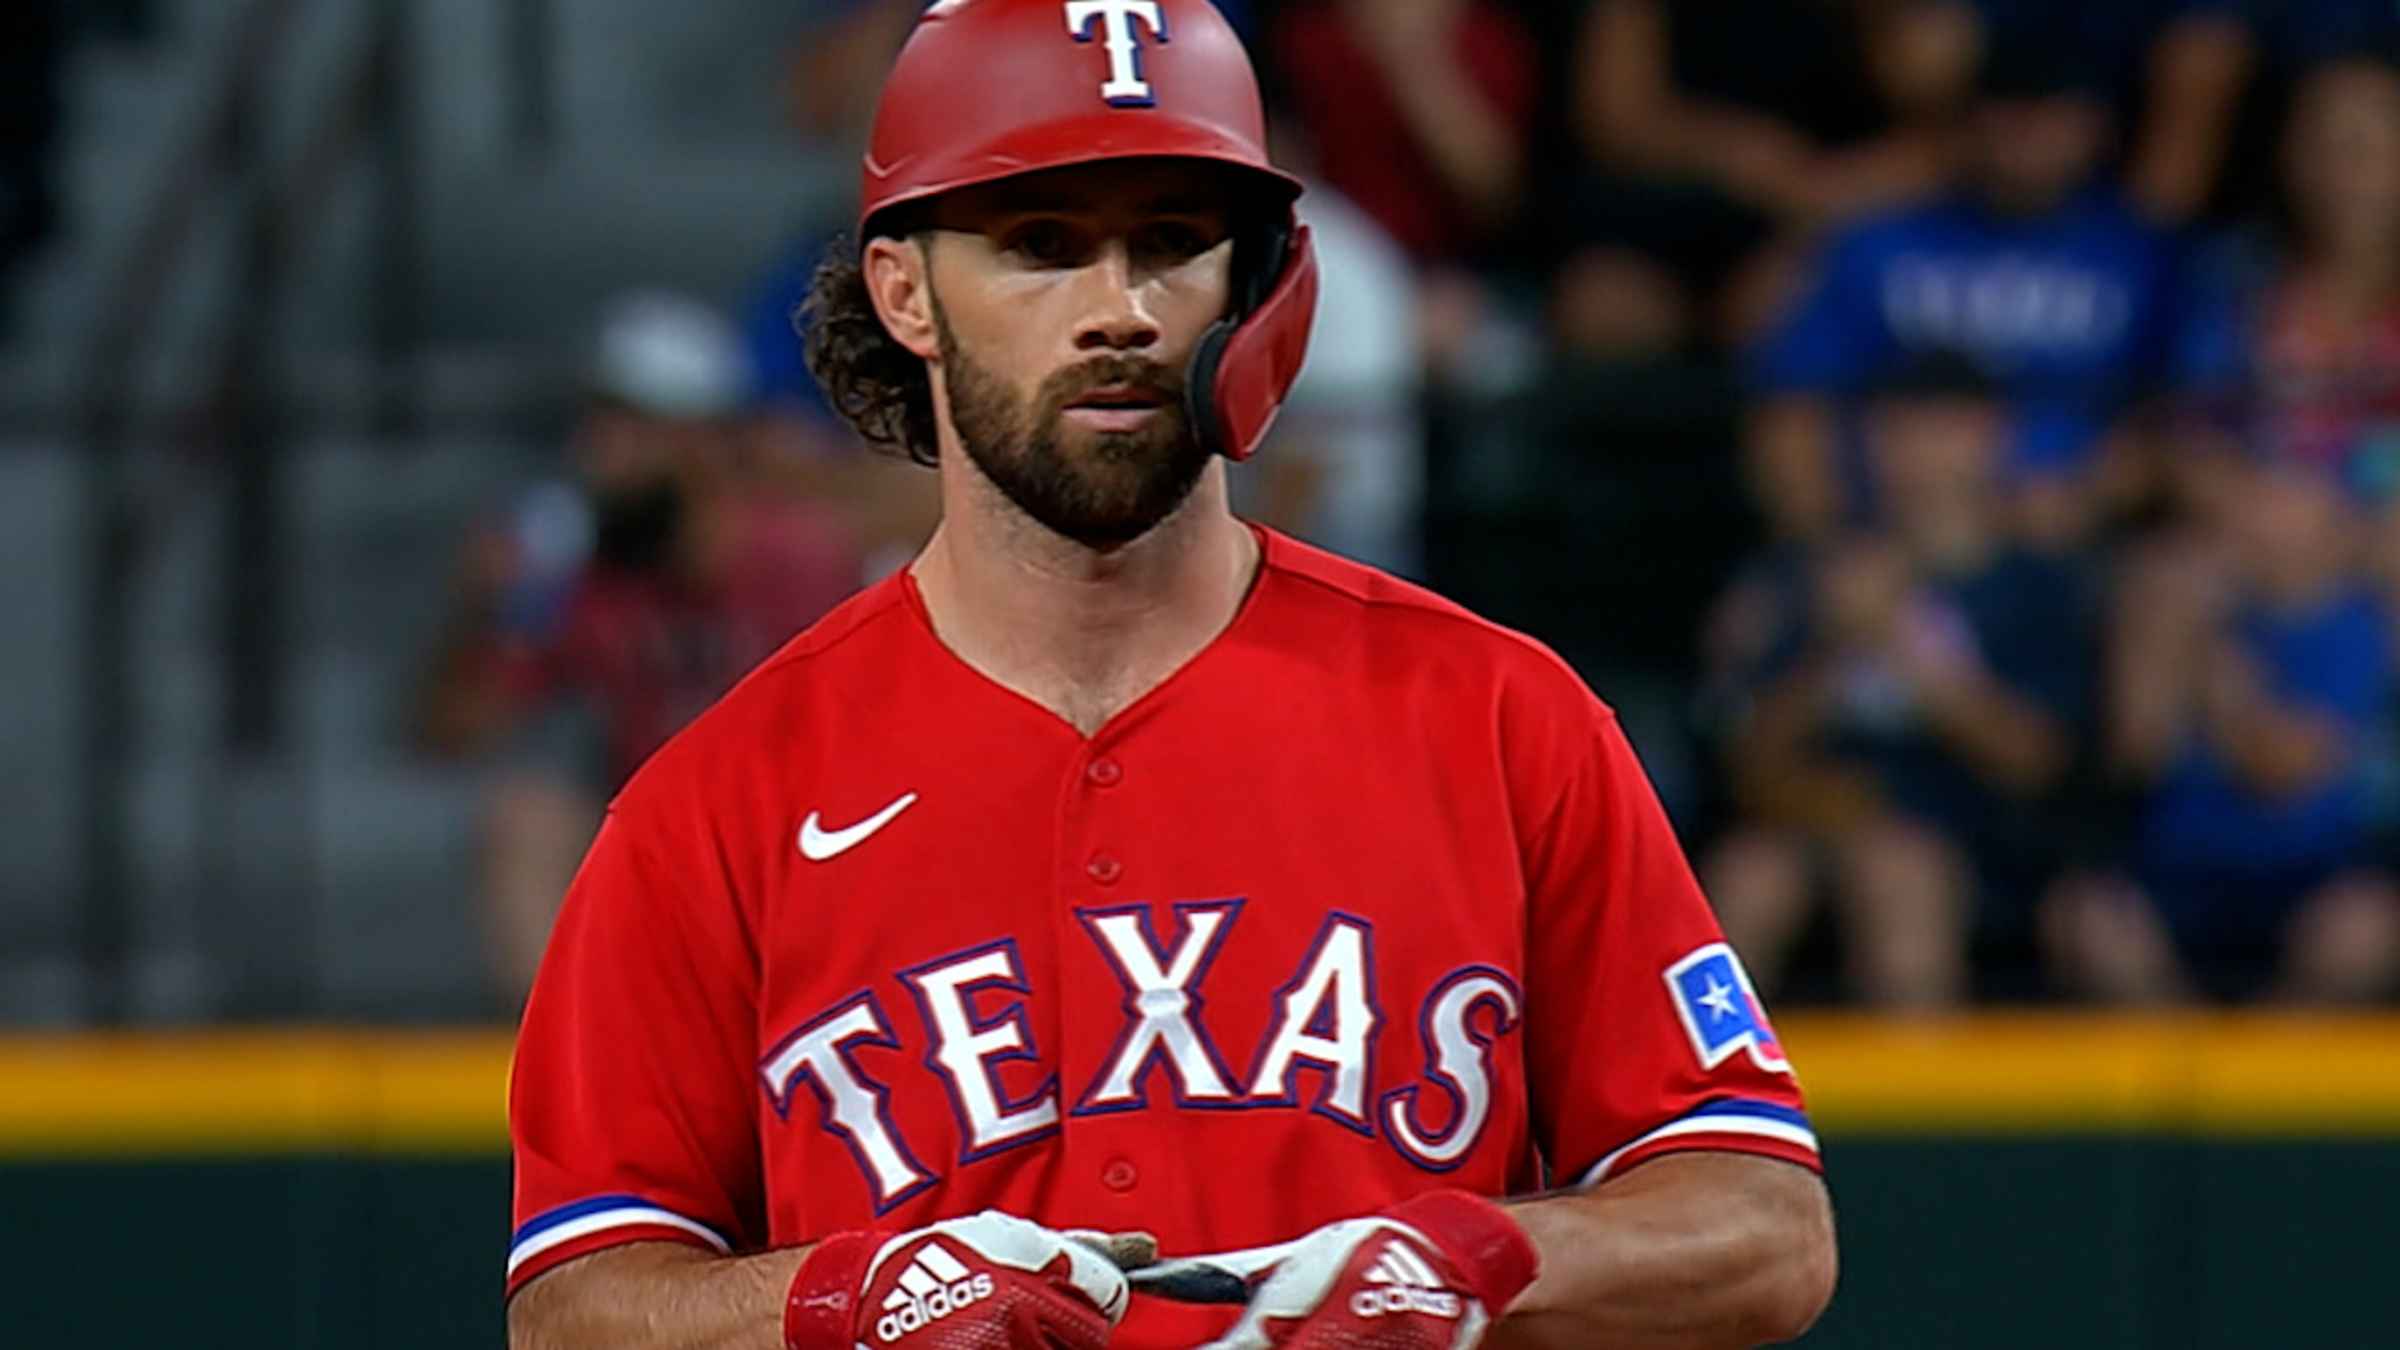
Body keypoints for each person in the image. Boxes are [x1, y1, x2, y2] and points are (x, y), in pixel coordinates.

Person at [503, 5, 1836, 1350]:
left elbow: (1762, 1226)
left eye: (1172, 243)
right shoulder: (719, 800)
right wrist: (848, 1298)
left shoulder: (1495, 715)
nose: (1120, 310)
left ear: (1253, 285)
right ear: (904, 292)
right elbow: (576, 1305)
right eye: (1042, 247)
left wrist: (1478, 1259)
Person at [419, 292, 866, 1001]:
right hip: (669, 845)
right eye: (597, 425)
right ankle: (575, 1086)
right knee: (527, 816)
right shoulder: (582, 569)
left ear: (701, 441)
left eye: (628, 426)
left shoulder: (801, 558)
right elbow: (452, 737)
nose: (597, 452)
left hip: (805, 841)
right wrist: (483, 613)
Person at [1704, 357, 2091, 1009]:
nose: (1919, 454)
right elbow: (1747, 758)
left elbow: (2039, 763)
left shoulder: (2035, 586)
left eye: (1943, 430)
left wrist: (1905, 650)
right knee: (1744, 884)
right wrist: (1832, 645)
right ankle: (1708, 1105)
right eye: (1899, 430)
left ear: (1993, 436)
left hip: (1979, 839)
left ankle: (1926, 1110)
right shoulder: (1809, 576)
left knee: (1899, 875)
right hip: (1815, 821)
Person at [1746, 37, 2182, 544]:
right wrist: (1838, 544)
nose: (2028, 130)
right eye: (2008, 108)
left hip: (2073, 542)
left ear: (2095, 124)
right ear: (1968, 122)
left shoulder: (2144, 255)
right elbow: (1790, 409)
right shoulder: (1881, 241)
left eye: (2051, 111)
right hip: (1887, 542)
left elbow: (2178, 421)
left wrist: (2086, 498)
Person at [2046, 456, 2400, 1003]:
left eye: (2278, 501)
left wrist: (2209, 661)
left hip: (2308, 871)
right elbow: (2136, 750)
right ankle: (2177, 1074)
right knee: (2087, 916)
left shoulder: (2355, 628)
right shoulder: (2170, 614)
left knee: (2364, 929)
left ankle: (2271, 1077)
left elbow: (2283, 767)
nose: (2251, 518)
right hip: (2181, 866)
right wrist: (2155, 630)